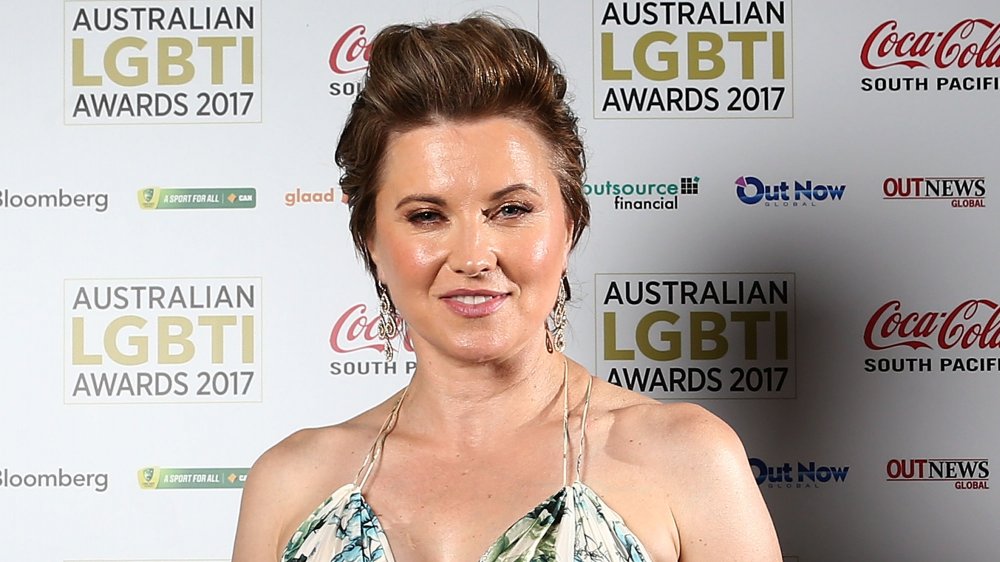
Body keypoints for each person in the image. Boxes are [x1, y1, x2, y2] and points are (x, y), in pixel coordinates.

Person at [232, 15, 782, 562]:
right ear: (372, 240)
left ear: (569, 227)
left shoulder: (685, 457)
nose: (473, 257)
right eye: (426, 216)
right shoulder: (289, 481)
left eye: (511, 210)